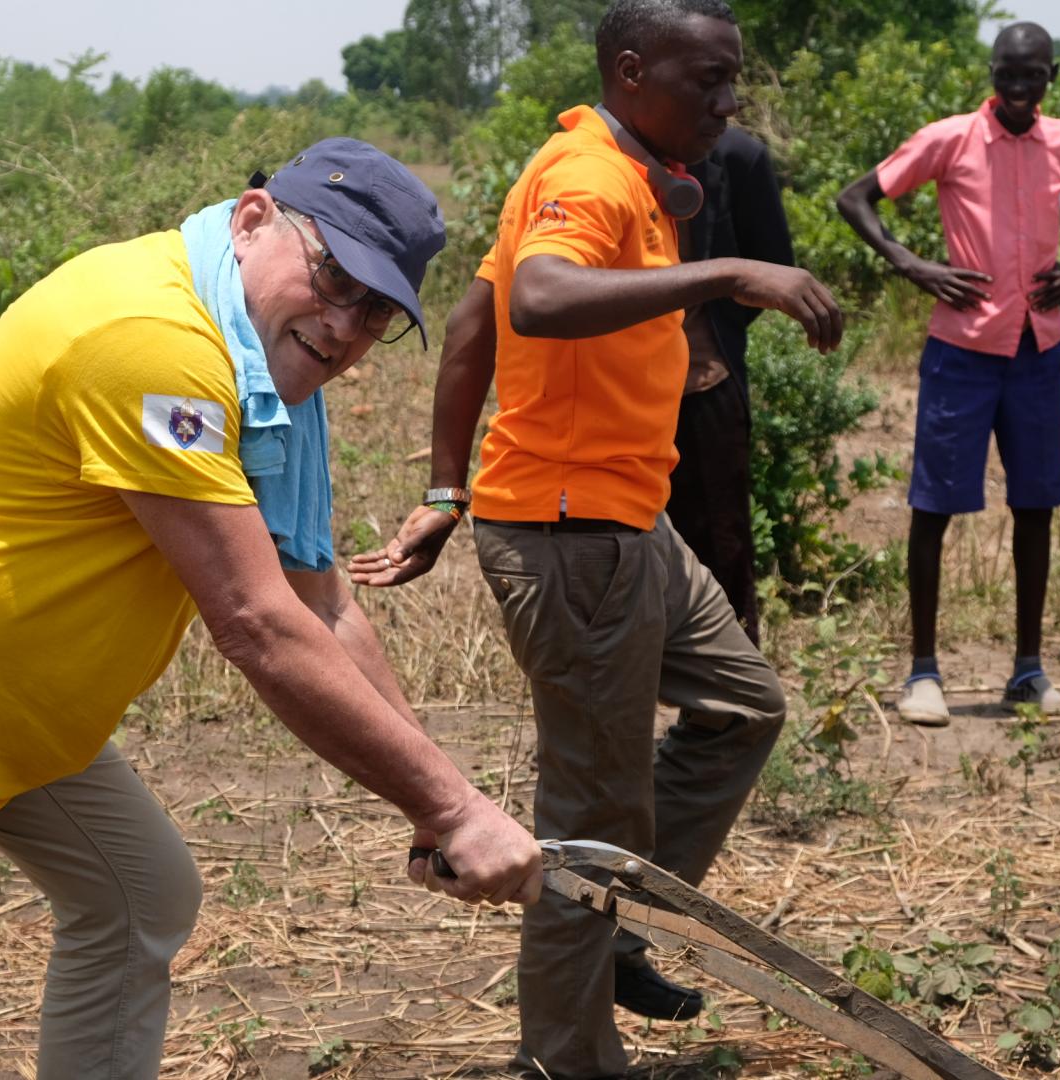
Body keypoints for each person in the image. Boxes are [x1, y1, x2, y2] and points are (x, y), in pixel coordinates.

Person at [0, 138, 544, 1080]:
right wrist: (453, 803)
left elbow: (319, 602)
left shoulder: (271, 364)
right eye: (334, 277)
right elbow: (256, 624)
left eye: (378, 313)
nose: (347, 327)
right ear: (251, 219)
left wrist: (442, 808)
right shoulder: (153, 342)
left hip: (0, 689)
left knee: (137, 898)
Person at [349, 2, 840, 1075]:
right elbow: (538, 295)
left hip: (628, 523)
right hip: (574, 539)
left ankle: (615, 918)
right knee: (593, 815)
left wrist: (445, 486)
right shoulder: (591, 176)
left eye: (732, 81)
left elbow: (477, 323)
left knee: (744, 705)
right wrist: (730, 272)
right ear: (631, 70)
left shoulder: (625, 170)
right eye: (706, 80)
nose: (728, 103)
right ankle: (567, 1055)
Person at [836, 21, 1060, 725]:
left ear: (1050, 77)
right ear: (992, 72)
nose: (1019, 90)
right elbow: (855, 198)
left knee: (1036, 506)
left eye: (1033, 77)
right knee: (933, 505)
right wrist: (912, 264)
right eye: (1007, 76)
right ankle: (923, 671)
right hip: (962, 349)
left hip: (1038, 347)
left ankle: (1029, 671)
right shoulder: (949, 137)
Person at [668, 128, 795, 643]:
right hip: (617, 396)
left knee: (722, 549)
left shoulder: (737, 157)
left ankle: (725, 705)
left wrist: (710, 336)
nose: (723, 104)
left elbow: (772, 271)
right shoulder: (599, 158)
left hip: (705, 383)